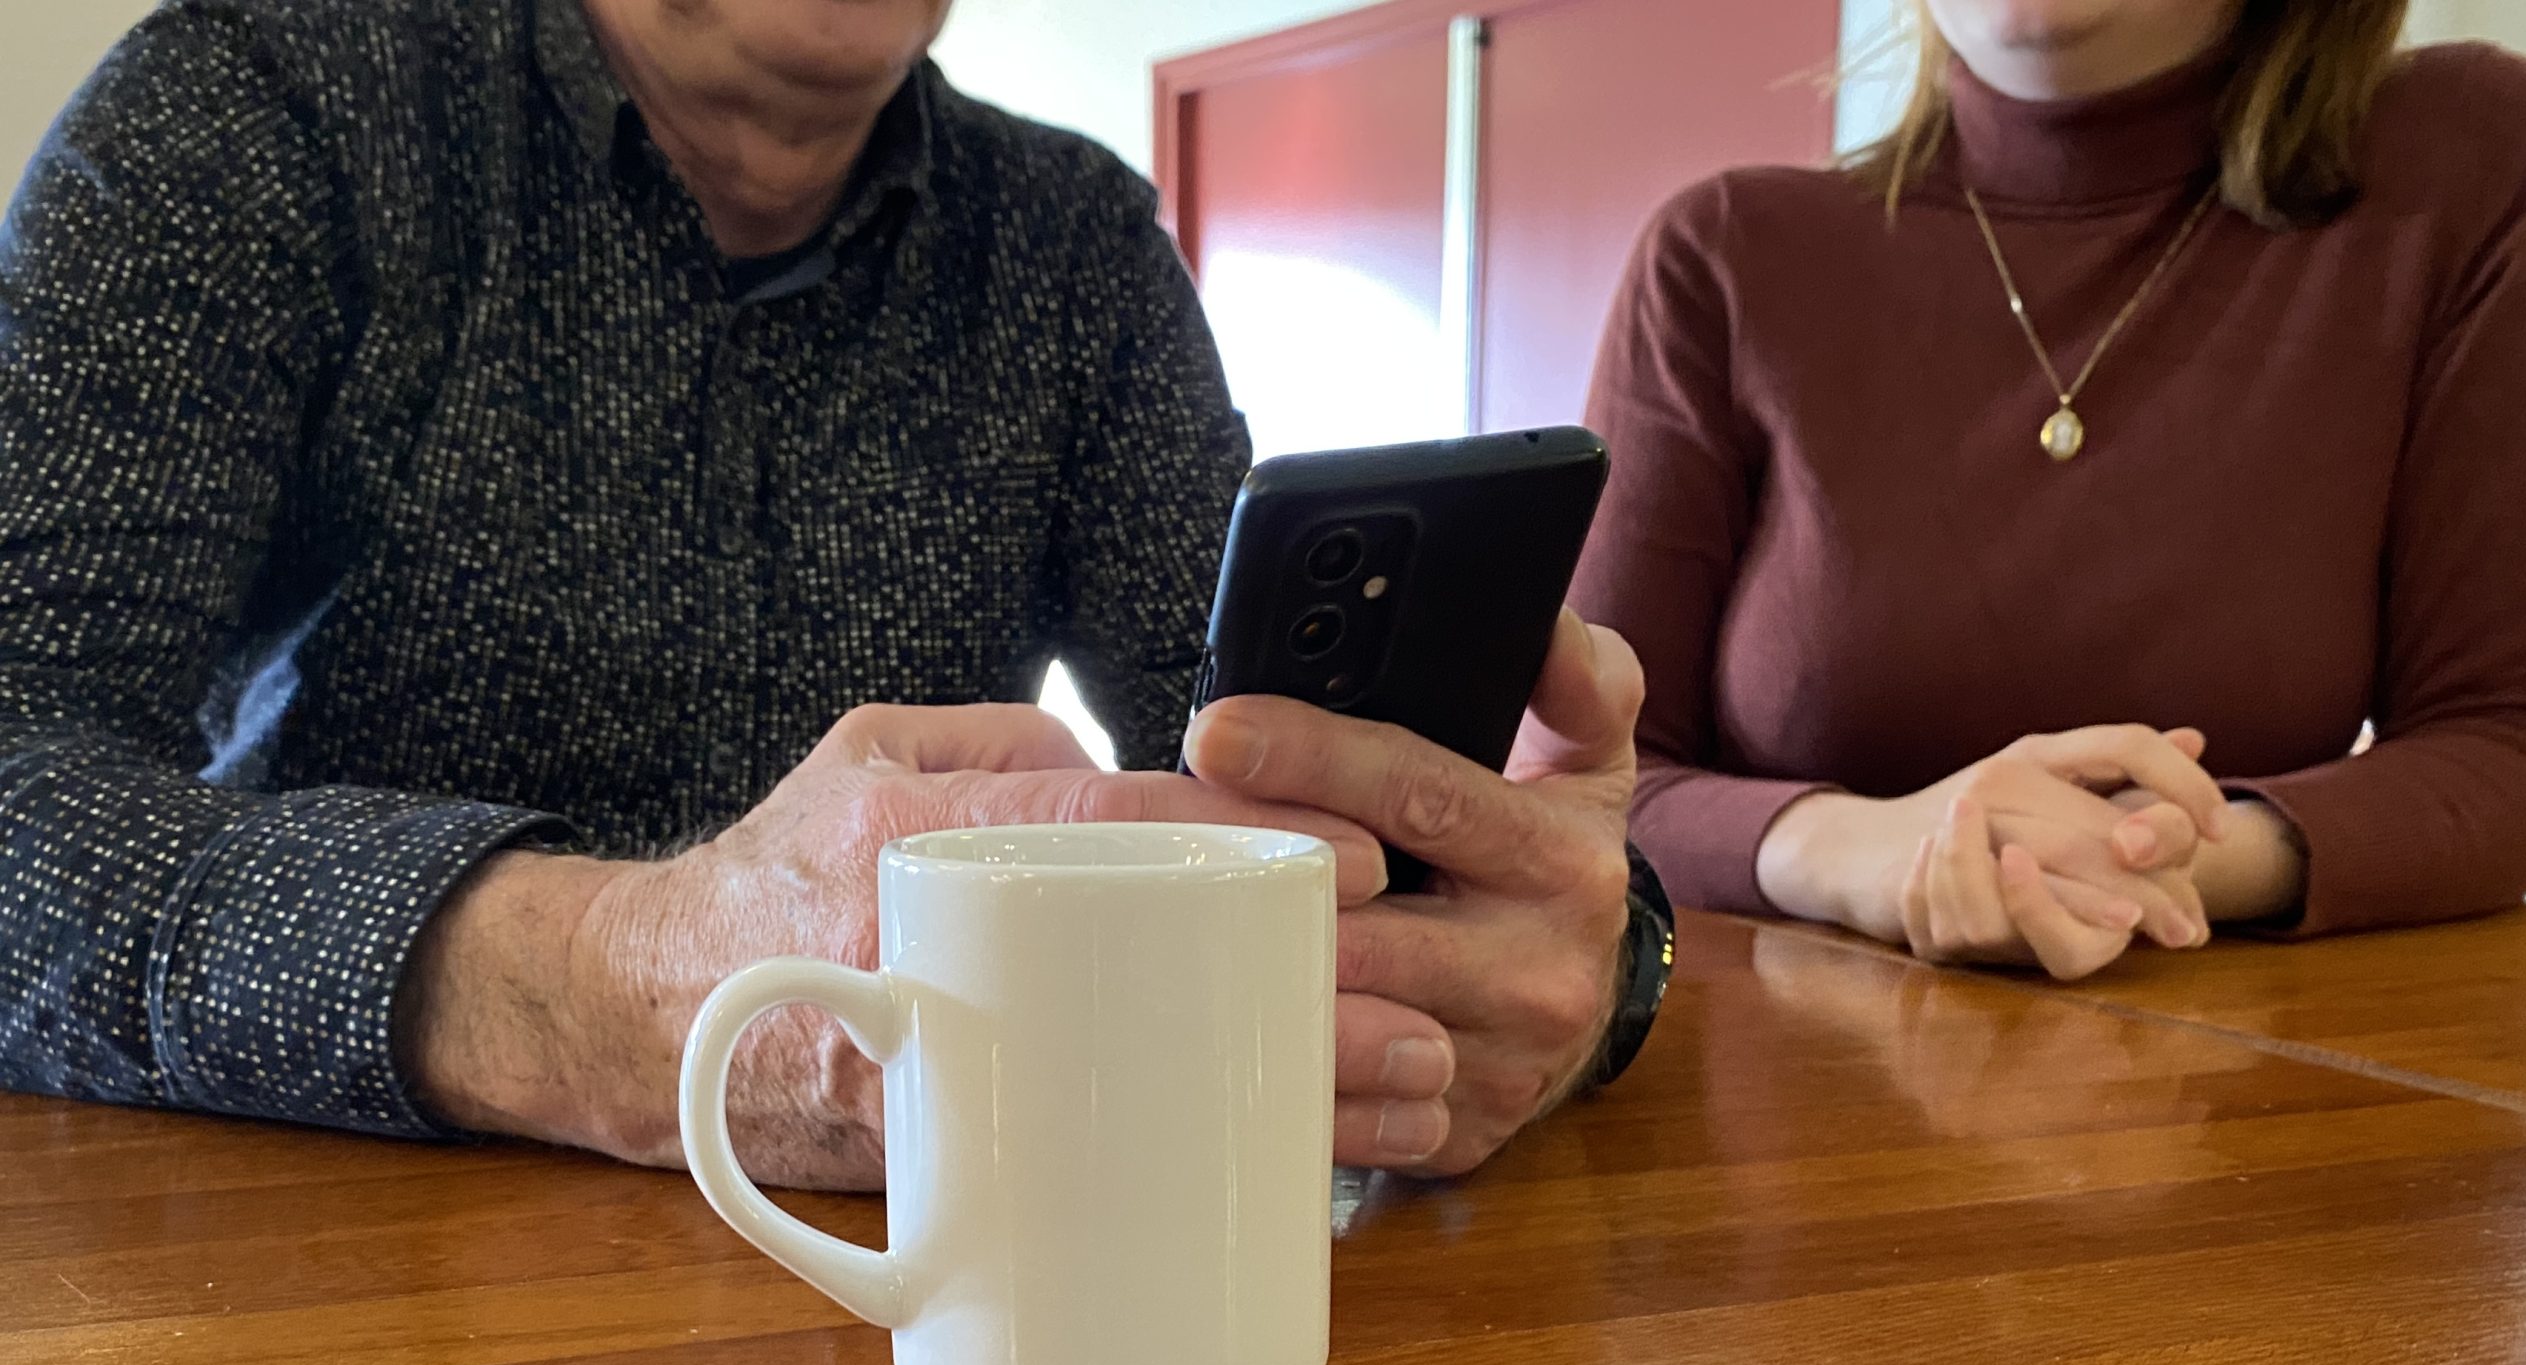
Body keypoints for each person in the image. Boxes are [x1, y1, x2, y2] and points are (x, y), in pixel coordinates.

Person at [0, 0, 1666, 1189]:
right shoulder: (247, 107)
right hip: (311, 1317)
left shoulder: (1075, 247)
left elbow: (1276, 798)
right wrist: (608, 984)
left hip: (938, 1355)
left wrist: (1561, 964)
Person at [1574, 0, 2526, 982]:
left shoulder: (2472, 160)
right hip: (1778, 1082)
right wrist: (1857, 850)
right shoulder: (1724, 253)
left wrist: (2134, 859)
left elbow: (2517, 742)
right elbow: (1582, 783)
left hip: (2247, 1088)